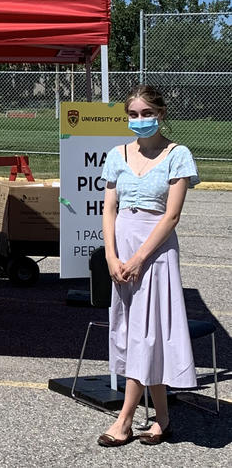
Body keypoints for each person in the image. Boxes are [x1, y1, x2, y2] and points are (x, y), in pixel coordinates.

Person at [96, 84, 199, 446]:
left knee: (146, 331)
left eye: (147, 114)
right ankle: (164, 419)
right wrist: (111, 256)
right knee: (135, 332)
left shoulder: (178, 154)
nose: (140, 121)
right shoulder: (116, 154)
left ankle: (123, 421)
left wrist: (140, 259)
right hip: (122, 250)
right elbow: (109, 208)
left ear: (161, 114)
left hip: (154, 252)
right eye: (134, 114)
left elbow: (171, 216)